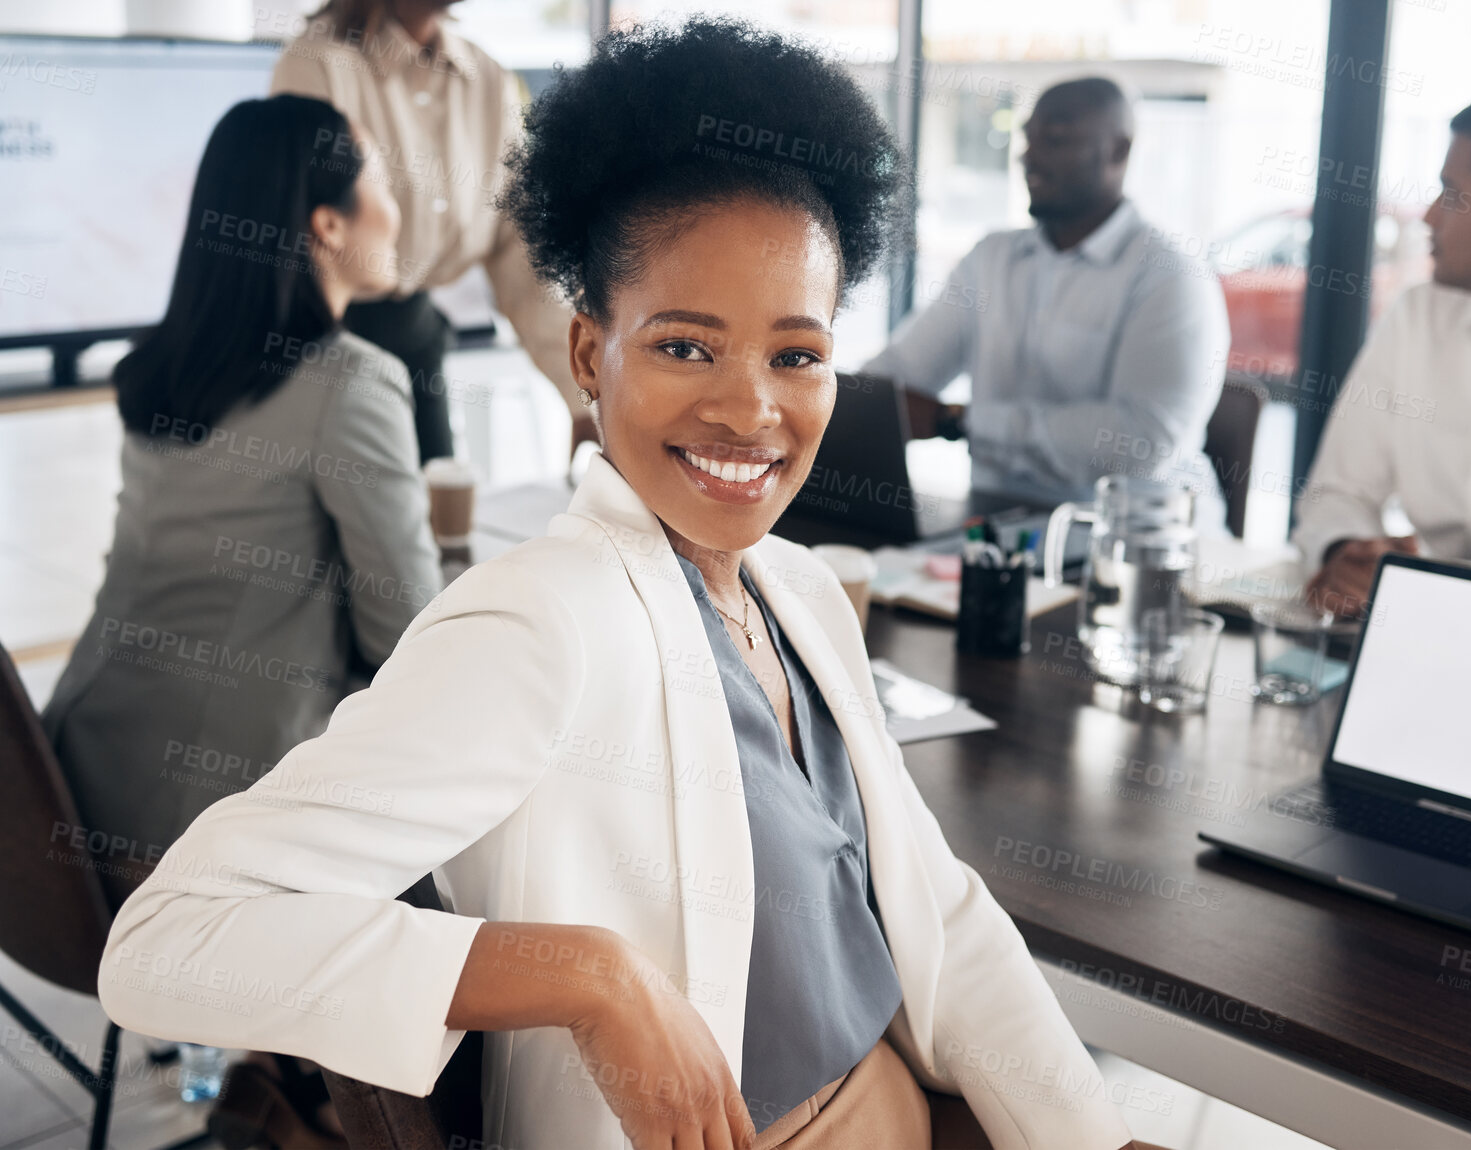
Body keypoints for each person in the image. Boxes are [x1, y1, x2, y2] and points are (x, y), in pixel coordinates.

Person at [96, 21, 1156, 1150]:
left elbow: (940, 905)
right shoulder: (539, 624)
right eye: (687, 348)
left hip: (907, 1099)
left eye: (796, 355)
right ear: (590, 356)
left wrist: (1091, 1135)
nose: (752, 410)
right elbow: (168, 937)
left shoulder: (796, 591)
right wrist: (587, 976)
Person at [43, 94, 440, 911]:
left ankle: (264, 1044)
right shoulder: (351, 385)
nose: (399, 215)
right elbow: (405, 638)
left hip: (67, 790)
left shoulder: (161, 365)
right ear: (327, 225)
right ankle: (285, 1038)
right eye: (382, 186)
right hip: (202, 845)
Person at [862, 76, 1230, 510]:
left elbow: (1138, 445)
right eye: (1027, 139)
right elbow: (902, 371)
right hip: (995, 526)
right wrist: (839, 395)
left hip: (1129, 546)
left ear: (1118, 150)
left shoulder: (1171, 276)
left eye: (1054, 140)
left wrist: (961, 421)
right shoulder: (992, 257)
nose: (1028, 157)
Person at [1297, 86, 1471, 615]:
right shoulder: (1418, 318)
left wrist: (1424, 586)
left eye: (1450, 194)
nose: (1429, 217)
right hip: (1411, 631)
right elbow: (1336, 492)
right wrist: (1348, 556)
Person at [271, 0, 597, 463]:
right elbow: (295, 238)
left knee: (434, 514)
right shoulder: (316, 66)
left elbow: (522, 259)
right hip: (324, 345)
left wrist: (584, 398)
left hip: (416, 340)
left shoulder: (487, 78)